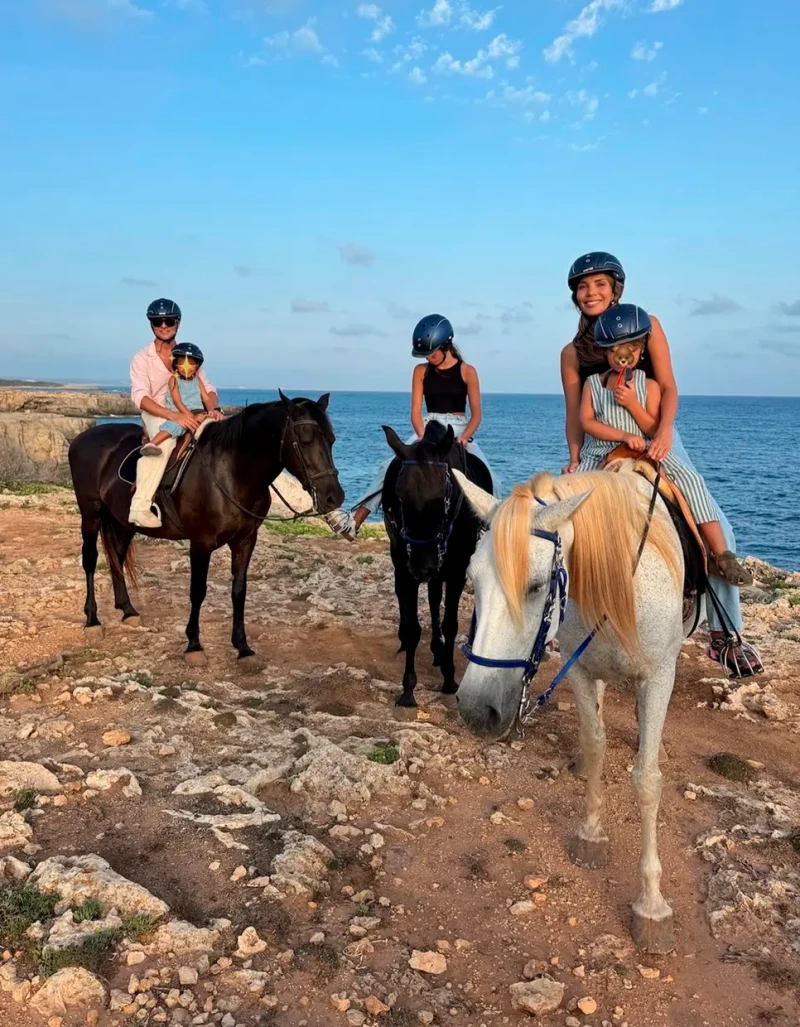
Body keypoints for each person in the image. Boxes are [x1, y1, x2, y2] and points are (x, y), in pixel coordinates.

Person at [560, 253, 762, 676]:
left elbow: (668, 386)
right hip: (604, 445)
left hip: (656, 435)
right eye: (582, 286)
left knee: (719, 523)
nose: (590, 292)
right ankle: (560, 615)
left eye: (599, 284)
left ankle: (725, 635)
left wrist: (666, 434)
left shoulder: (647, 324)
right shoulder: (572, 352)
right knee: (561, 521)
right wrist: (575, 458)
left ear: (616, 288)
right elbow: (574, 414)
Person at [579, 304, 751, 585]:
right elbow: (587, 422)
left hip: (645, 449)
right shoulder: (593, 385)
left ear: (641, 351)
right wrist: (622, 436)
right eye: (613, 350)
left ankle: (722, 555)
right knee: (576, 489)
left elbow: (652, 427)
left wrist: (632, 405)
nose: (621, 356)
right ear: (605, 352)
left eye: (629, 349)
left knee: (691, 480)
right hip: (602, 449)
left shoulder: (650, 386)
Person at [326, 314, 499, 540]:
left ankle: (490, 530)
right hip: (428, 426)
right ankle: (355, 520)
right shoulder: (420, 371)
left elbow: (476, 415)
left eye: (431, 353)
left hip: (458, 428)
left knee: (492, 477)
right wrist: (422, 439)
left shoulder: (468, 371)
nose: (428, 357)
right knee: (389, 466)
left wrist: (464, 438)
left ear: (446, 345)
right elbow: (415, 412)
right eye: (424, 354)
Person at [129, 299, 221, 528]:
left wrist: (214, 409)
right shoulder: (142, 358)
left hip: (191, 411)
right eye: (157, 321)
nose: (163, 325)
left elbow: (206, 387)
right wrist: (174, 416)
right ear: (151, 324)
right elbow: (140, 397)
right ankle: (139, 507)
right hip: (157, 412)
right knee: (165, 445)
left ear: (177, 323)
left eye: (168, 320)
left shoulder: (187, 355)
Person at [141, 343, 216, 455]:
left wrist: (211, 410)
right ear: (175, 364)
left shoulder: (198, 380)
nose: (187, 367)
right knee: (176, 426)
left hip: (198, 413)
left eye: (192, 363)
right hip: (180, 412)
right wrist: (189, 416)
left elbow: (206, 398)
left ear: (197, 366)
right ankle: (153, 443)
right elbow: (177, 402)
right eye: (182, 363)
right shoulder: (174, 380)